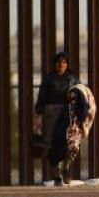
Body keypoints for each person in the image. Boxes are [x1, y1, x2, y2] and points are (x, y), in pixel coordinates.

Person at [34, 52, 79, 182]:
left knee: (69, 144)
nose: (61, 65)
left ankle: (66, 169)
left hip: (67, 116)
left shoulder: (72, 79)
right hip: (51, 116)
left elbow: (80, 93)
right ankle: (56, 175)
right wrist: (38, 115)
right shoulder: (49, 79)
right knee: (52, 146)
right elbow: (42, 98)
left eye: (64, 62)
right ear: (55, 64)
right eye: (59, 62)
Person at [45, 83, 96, 185]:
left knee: (70, 148)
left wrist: (83, 125)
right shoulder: (68, 107)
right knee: (56, 152)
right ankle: (59, 176)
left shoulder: (79, 103)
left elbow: (85, 114)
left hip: (72, 129)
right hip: (64, 132)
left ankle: (64, 172)